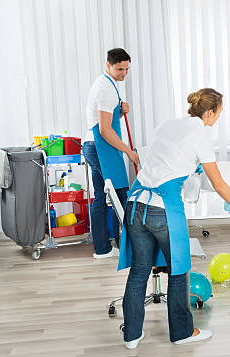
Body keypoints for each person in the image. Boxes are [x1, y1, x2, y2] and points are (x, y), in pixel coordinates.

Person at [118, 88, 230, 349]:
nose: (218, 118)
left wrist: (187, 164)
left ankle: (131, 335)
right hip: (162, 209)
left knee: (139, 271)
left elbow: (161, 158)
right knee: (179, 270)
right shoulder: (201, 135)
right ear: (209, 113)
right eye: (219, 113)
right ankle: (182, 333)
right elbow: (217, 181)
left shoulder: (168, 125)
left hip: (135, 204)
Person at [83, 48, 139, 259]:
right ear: (108, 65)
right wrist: (129, 152)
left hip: (95, 146)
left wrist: (121, 110)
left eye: (127, 69)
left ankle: (103, 248)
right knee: (119, 196)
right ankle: (124, 247)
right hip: (101, 148)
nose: (124, 73)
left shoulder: (108, 83)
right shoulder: (106, 89)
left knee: (102, 196)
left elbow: (107, 120)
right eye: (119, 69)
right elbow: (105, 130)